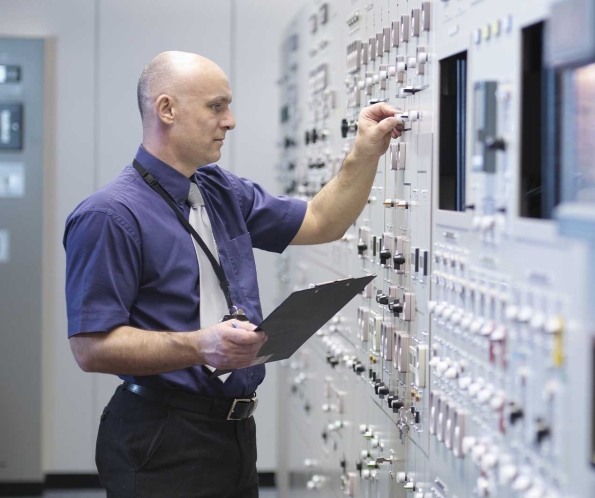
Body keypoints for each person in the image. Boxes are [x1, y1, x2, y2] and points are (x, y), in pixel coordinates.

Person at [63, 51, 401, 497]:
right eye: (216, 106)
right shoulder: (109, 215)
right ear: (167, 109)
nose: (231, 120)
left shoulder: (220, 190)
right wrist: (200, 345)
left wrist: (365, 151)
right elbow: (91, 348)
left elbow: (322, 221)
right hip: (161, 438)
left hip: (234, 434)